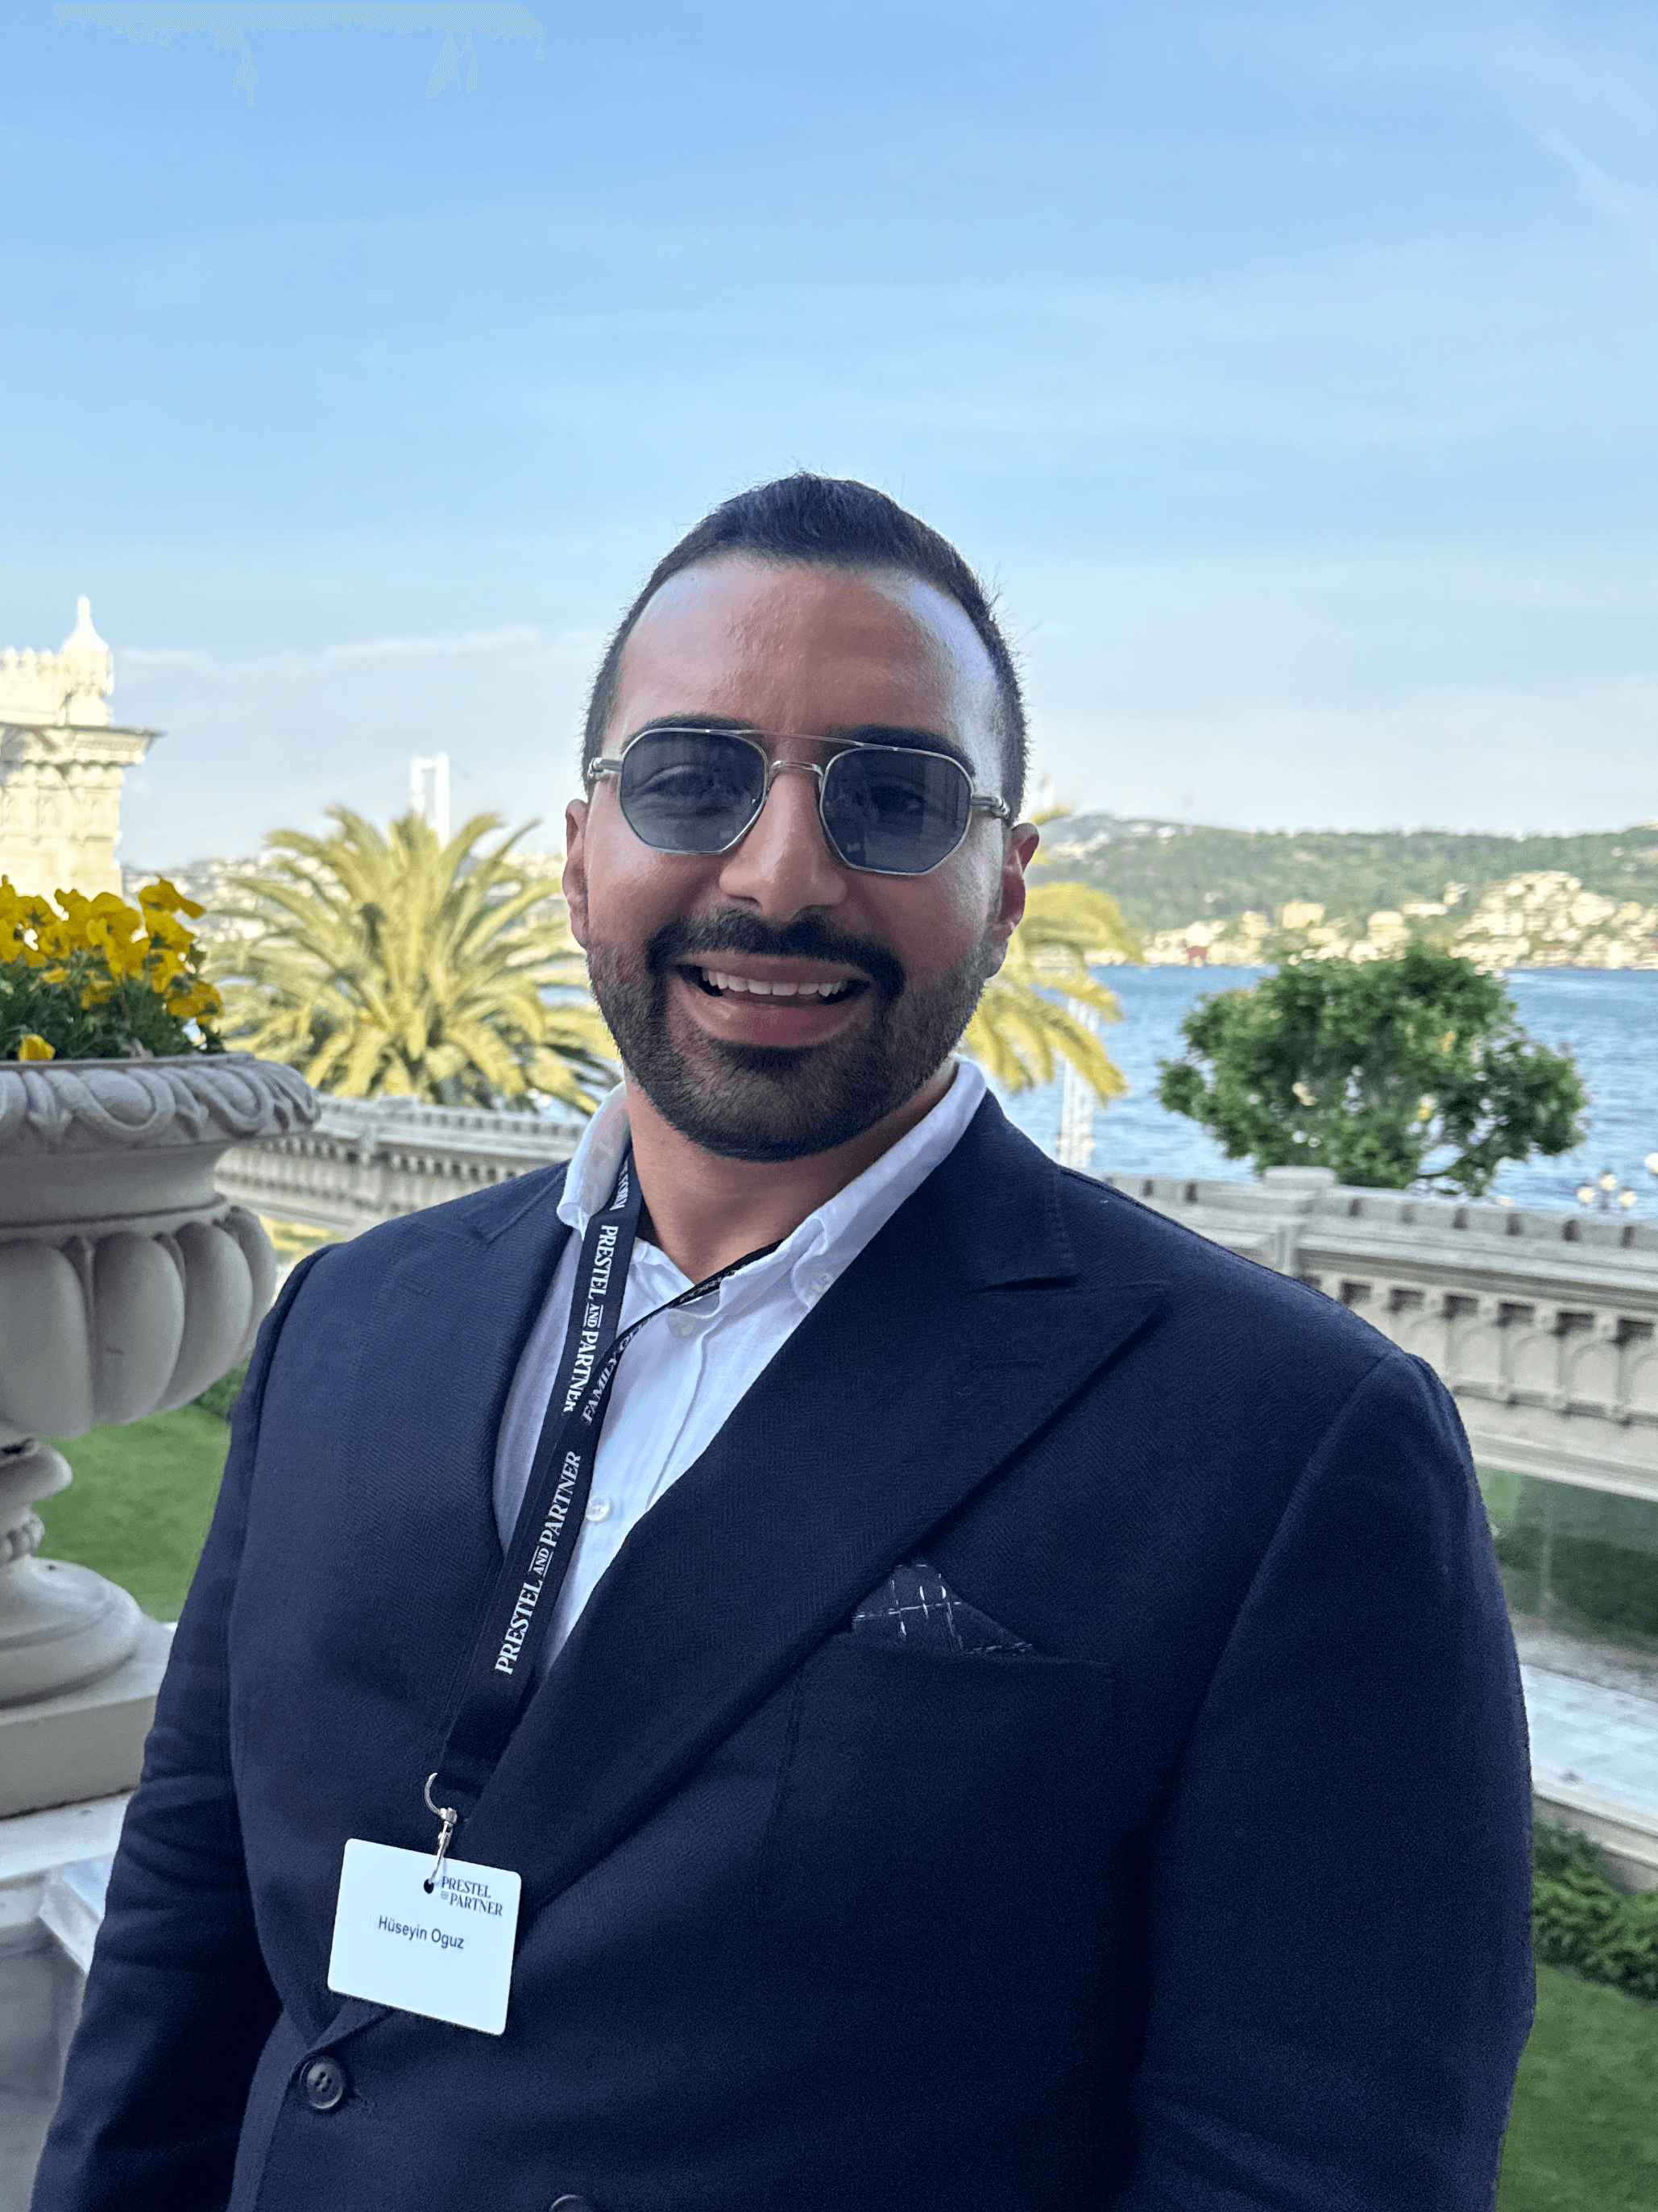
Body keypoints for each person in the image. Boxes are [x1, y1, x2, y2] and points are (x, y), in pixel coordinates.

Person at [34, 475, 1533, 2212]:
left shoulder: (1287, 1439)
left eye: (894, 798)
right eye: (695, 778)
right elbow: (185, 1928)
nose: (782, 871)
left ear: (1008, 879)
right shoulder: (354, 1322)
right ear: (580, 843)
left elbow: (1306, 2170)